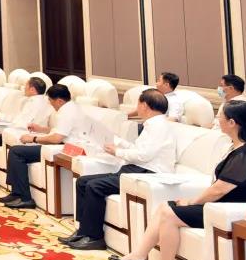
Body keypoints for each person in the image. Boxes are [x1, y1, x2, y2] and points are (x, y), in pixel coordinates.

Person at [110, 100, 246, 260]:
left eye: (221, 116)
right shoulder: (240, 146)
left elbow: (220, 189)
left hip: (233, 210)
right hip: (219, 206)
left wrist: (191, 202)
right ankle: (137, 258)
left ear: (232, 122)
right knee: (164, 207)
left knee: (169, 215)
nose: (217, 120)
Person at [63, 89, 176, 250]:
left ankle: (94, 237)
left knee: (94, 186)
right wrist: (118, 142)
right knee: (83, 182)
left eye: (138, 104)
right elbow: (140, 150)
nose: (137, 108)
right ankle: (83, 231)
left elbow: (143, 156)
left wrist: (117, 152)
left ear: (144, 105)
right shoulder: (153, 124)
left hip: (147, 174)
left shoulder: (158, 126)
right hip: (136, 169)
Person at [0, 84, 95, 210]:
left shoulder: (68, 112)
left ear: (59, 101)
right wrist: (41, 129)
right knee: (16, 151)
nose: (49, 103)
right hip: (61, 145)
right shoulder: (70, 108)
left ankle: (24, 198)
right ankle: (16, 193)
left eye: (50, 100)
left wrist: (33, 138)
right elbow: (59, 131)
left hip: (65, 149)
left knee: (16, 152)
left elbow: (57, 138)